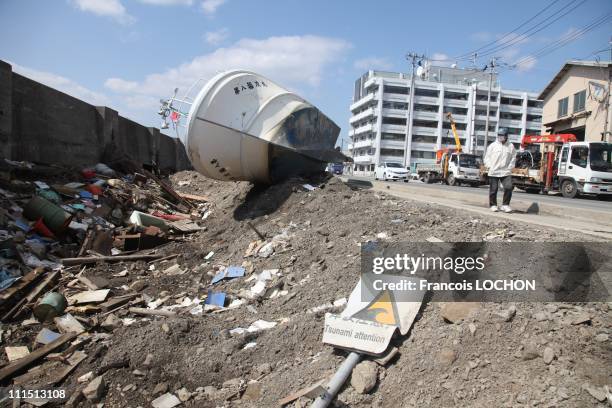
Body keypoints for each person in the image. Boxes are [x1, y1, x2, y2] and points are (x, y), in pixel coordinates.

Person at [484, 128, 516, 213]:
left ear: (506, 136)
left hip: (505, 171)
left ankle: (505, 205)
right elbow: (487, 157)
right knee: (493, 189)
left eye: (502, 136)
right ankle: (493, 205)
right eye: (499, 136)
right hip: (494, 171)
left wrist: (510, 167)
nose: (500, 137)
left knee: (508, 187)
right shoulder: (492, 146)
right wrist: (489, 166)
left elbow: (513, 158)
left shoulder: (511, 146)